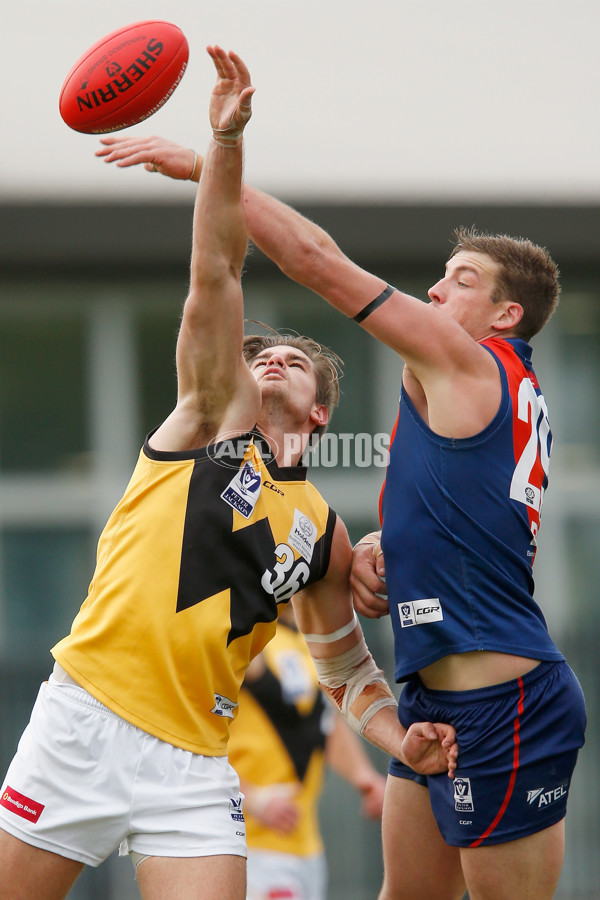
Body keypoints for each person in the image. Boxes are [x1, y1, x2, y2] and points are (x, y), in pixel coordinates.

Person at [95, 78, 587, 899]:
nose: (435, 291)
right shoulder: (476, 389)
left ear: (505, 317)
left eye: (461, 281)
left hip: (508, 702)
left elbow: (316, 261)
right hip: (433, 696)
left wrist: (205, 169)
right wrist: (386, 548)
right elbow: (470, 514)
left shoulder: (468, 364)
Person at [0, 47, 458, 900]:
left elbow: (346, 671)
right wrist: (225, 145)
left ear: (321, 413)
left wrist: (402, 743)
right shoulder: (209, 419)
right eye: (262, 353)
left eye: (296, 359)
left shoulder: (324, 533)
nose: (273, 357)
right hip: (84, 718)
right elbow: (214, 271)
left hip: (194, 765)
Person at [229, 603, 386, 900]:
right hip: (251, 843)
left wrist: (364, 777)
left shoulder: (304, 639)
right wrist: (251, 798)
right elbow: (197, 734)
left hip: (305, 843)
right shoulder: (243, 632)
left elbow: (322, 723)